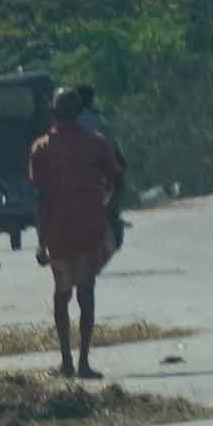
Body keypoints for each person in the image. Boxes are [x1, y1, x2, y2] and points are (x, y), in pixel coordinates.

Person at [27, 83, 130, 380]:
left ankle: (66, 362)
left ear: (53, 114)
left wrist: (40, 241)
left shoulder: (41, 148)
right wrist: (109, 210)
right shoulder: (97, 143)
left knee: (62, 295)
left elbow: (41, 198)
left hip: (58, 232)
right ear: (80, 112)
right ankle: (84, 361)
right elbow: (119, 180)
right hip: (90, 229)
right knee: (87, 293)